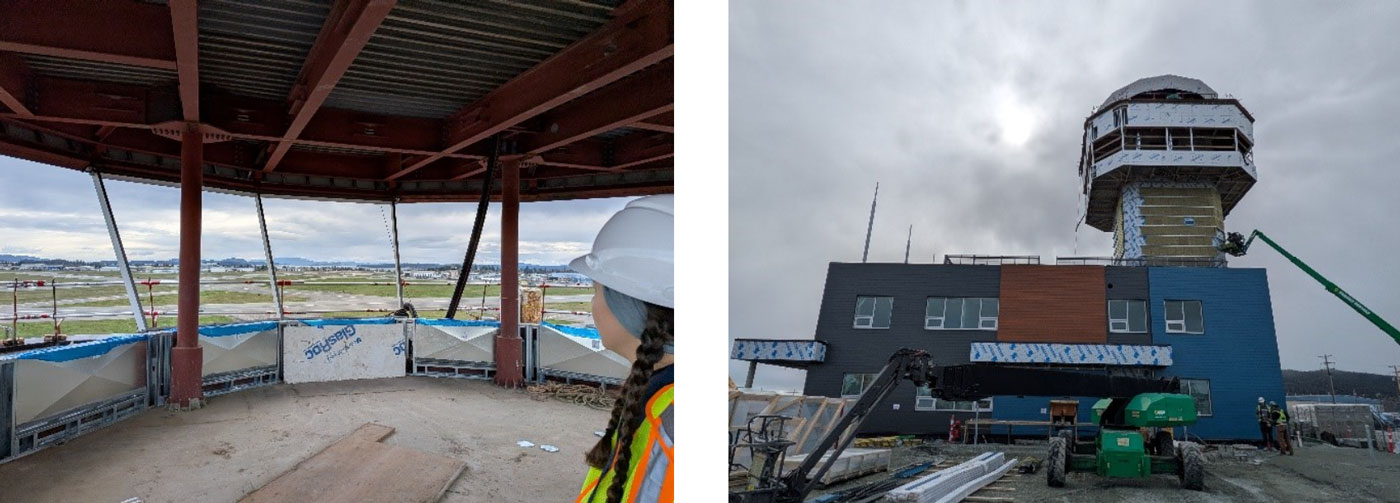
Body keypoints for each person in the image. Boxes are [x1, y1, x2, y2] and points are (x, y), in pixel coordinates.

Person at [572, 195, 674, 503]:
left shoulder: (673, 419)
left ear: (631, 306)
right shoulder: (657, 397)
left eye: (597, 290)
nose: (594, 304)